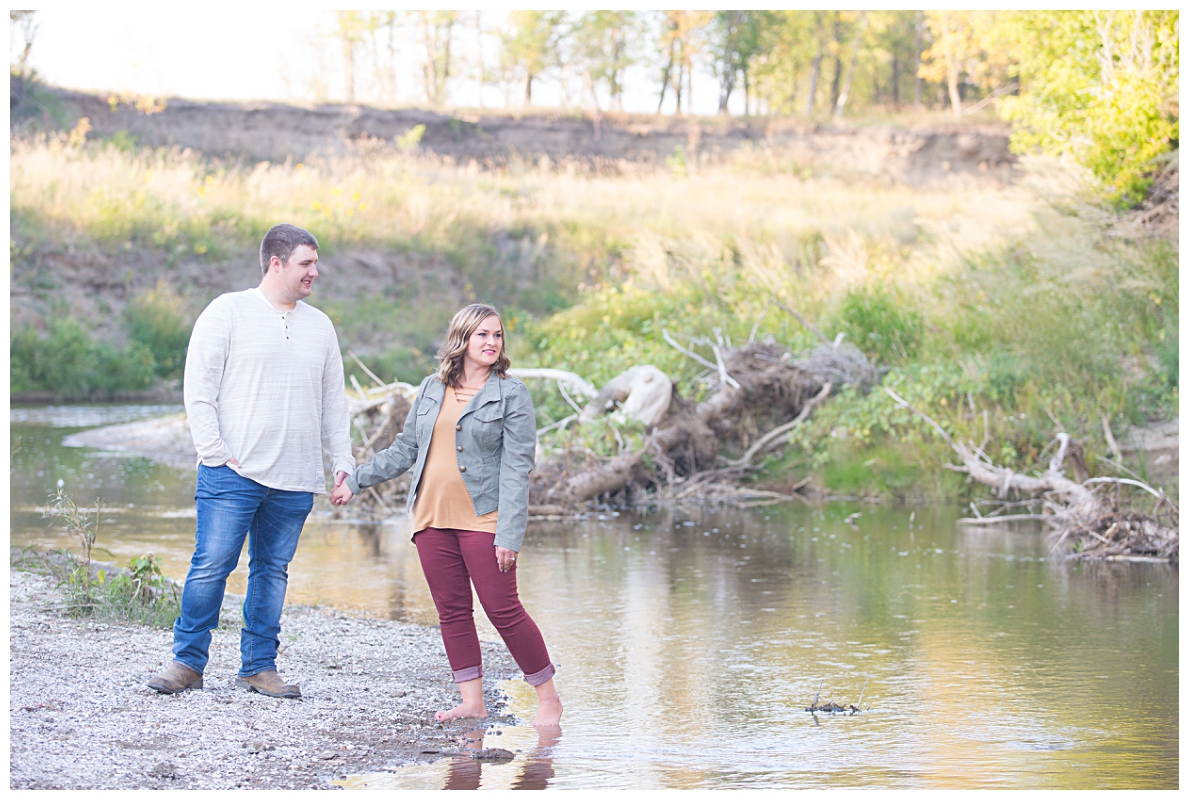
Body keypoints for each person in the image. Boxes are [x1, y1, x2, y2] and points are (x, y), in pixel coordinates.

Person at [147, 223, 355, 699]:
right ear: (276, 263)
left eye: (316, 263)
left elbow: (333, 403)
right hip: (232, 472)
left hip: (296, 476)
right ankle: (187, 663)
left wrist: (341, 461)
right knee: (211, 564)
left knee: (272, 571)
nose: (315, 272)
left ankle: (258, 667)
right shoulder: (228, 311)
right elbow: (198, 390)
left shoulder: (320, 326)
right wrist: (215, 453)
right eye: (306, 263)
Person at [331, 303, 562, 727]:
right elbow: (405, 450)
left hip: (485, 519)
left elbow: (516, 469)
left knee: (503, 609)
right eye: (483, 335)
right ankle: (472, 702)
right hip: (430, 518)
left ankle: (548, 698)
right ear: (463, 339)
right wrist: (357, 480)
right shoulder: (430, 388)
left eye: (497, 335)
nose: (492, 342)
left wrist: (509, 534)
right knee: (453, 611)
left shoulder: (512, 395)